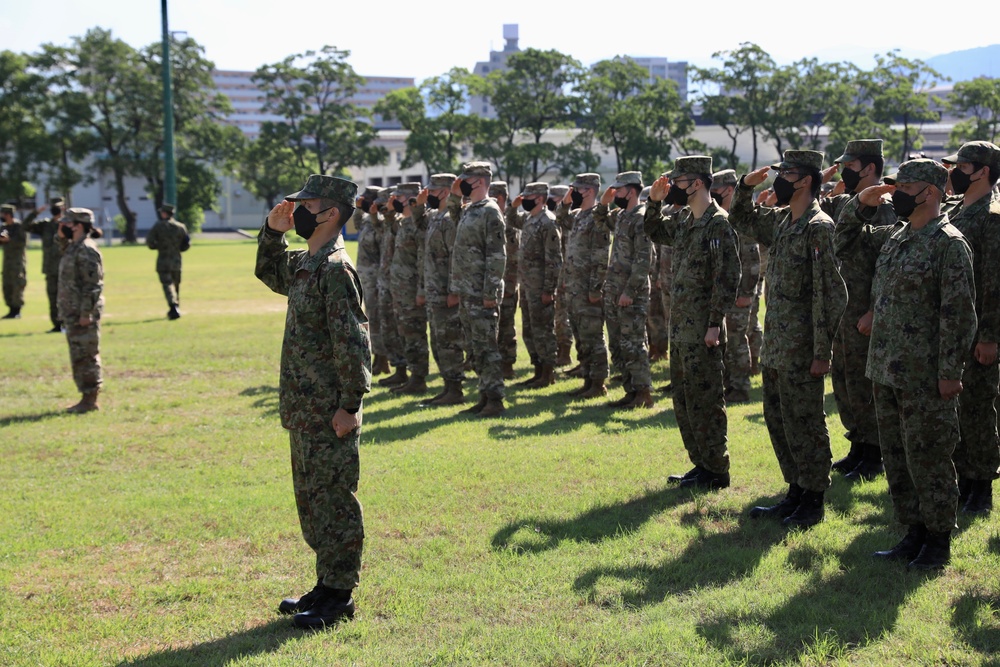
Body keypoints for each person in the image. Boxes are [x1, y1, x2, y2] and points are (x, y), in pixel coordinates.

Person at [843, 159, 977, 569]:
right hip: (886, 367)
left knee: (930, 458)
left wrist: (950, 373)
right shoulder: (896, 236)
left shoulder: (949, 244)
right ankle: (912, 531)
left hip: (925, 375)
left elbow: (959, 316)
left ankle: (937, 542)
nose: (896, 193)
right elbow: (844, 241)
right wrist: (861, 203)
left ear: (931, 193)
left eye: (906, 186)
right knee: (898, 457)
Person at [255, 174, 370, 628]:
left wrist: (350, 403)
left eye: (307, 203)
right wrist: (272, 231)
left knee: (335, 500)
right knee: (312, 500)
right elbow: (269, 270)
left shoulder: (336, 269)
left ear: (331, 213)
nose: (297, 209)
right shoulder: (308, 262)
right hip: (304, 408)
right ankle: (325, 584)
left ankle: (339, 598)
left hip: (329, 409)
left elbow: (353, 343)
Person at [730, 150, 848, 528]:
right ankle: (795, 491)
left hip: (803, 347)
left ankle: (813, 500)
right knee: (779, 421)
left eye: (787, 174)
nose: (779, 180)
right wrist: (743, 187)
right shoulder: (783, 221)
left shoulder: (819, 226)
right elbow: (741, 218)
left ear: (806, 181)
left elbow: (830, 293)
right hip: (777, 345)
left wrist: (821, 352)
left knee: (806, 423)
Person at [645, 156, 742, 490]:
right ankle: (700, 464)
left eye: (679, 180)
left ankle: (717, 469)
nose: (673, 186)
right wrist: (654, 203)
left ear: (697, 183)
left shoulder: (719, 223)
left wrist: (715, 323)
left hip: (704, 330)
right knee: (685, 400)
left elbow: (727, 277)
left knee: (707, 400)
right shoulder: (685, 219)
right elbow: (654, 230)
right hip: (681, 329)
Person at [824, 140, 895, 481]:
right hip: (843, 309)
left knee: (866, 386)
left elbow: (888, 266)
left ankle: (874, 453)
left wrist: (873, 311)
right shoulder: (846, 203)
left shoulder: (886, 207)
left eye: (848, 166)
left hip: (866, 312)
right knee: (846, 381)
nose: (842, 171)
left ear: (868, 168)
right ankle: (858, 445)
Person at [941, 141, 1000, 514]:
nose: (954, 171)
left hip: (979, 332)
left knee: (978, 410)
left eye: (962, 166)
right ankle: (963, 478)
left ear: (982, 171)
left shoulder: (992, 216)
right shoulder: (958, 210)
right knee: (959, 409)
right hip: (955, 329)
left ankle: (980, 488)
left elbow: (994, 282)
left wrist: (991, 336)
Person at [449, 162, 507, 417]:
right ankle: (484, 396)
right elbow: (452, 215)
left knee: (487, 347)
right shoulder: (470, 209)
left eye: (466, 179)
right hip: (467, 290)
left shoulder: (491, 212)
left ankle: (495, 400)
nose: (461, 183)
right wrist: (453, 194)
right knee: (474, 347)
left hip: (481, 292)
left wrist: (489, 294)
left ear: (480, 182)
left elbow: (497, 256)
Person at [594, 172, 654, 409]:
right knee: (618, 343)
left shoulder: (641, 217)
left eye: (619, 190)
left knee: (634, 344)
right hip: (615, 290)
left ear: (631, 191)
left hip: (632, 292)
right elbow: (600, 221)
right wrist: (604, 202)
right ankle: (630, 390)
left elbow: (643, 260)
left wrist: (630, 291)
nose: (615, 193)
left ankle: (644, 393)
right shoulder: (621, 216)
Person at [556, 173, 610, 398]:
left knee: (592, 337)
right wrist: (566, 202)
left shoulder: (598, 219)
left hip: (588, 290)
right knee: (580, 335)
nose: (573, 193)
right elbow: (561, 219)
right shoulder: (578, 216)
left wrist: (595, 288)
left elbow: (601, 257)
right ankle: (588, 379)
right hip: (575, 289)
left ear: (588, 191)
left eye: (576, 189)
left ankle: (598, 383)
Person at [711, 169, 760, 404]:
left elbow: (753, 260)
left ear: (729, 190)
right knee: (724, 340)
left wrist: (747, 293)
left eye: (715, 190)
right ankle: (728, 383)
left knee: (738, 340)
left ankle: (740, 387)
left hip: (739, 293)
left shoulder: (740, 219)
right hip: (722, 293)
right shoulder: (718, 217)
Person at [416, 174, 465, 405]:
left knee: (449, 340)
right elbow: (417, 225)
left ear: (445, 192)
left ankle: (455, 388)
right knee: (438, 339)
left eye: (433, 191)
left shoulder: (450, 220)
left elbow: (456, 256)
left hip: (446, 292)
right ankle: (448, 386)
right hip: (435, 290)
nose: (429, 195)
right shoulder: (436, 217)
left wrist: (454, 291)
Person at [508, 183, 563, 388]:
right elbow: (511, 220)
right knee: (530, 330)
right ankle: (538, 369)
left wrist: (549, 289)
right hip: (527, 286)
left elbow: (554, 260)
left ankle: (547, 373)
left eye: (528, 196)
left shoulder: (548, 222)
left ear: (540, 198)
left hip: (541, 287)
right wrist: (512, 206)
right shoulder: (530, 218)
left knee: (543, 330)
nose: (524, 199)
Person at [57, 208, 104, 413]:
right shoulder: (73, 247)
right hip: (72, 310)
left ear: (78, 225)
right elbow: (59, 247)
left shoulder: (87, 250)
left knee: (87, 354)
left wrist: (87, 313)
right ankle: (85, 397)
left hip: (82, 312)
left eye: (67, 223)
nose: (63, 226)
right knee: (78, 353)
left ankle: (90, 399)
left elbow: (93, 285)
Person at [388, 183, 430, 395]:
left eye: (399, 196)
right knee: (405, 333)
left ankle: (419, 378)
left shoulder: (417, 224)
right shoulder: (403, 222)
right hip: (400, 289)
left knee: (415, 334)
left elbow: (422, 258)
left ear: (411, 199)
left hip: (412, 290)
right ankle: (411, 375)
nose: (394, 199)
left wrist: (421, 290)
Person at [354, 187, 387, 375]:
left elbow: (381, 238)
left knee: (375, 318)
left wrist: (374, 214)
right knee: (370, 317)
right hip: (365, 277)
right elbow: (356, 223)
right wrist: (359, 208)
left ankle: (382, 358)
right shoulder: (366, 219)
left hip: (376, 278)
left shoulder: (380, 221)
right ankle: (378, 357)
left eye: (366, 199)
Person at [24, 197, 67, 332]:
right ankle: (57, 325)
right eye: (54, 207)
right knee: (52, 297)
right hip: (50, 269)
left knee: (66, 298)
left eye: (59, 207)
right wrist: (36, 212)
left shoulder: (69, 225)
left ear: (64, 208)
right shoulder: (45, 225)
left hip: (66, 269)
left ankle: (68, 324)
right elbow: (25, 226)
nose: (56, 210)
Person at [492, 182, 519, 380]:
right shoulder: (493, 218)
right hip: (493, 283)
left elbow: (513, 257)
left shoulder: (508, 223)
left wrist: (509, 285)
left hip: (506, 284)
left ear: (500, 198)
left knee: (507, 327)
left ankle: (507, 365)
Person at [145, 204, 190, 320]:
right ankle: (176, 307)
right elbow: (186, 244)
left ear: (165, 213)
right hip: (176, 261)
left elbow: (150, 242)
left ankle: (173, 306)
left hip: (163, 260)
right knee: (175, 285)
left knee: (167, 285)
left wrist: (159, 246)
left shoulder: (158, 226)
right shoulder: (181, 227)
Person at [0, 203, 27, 319]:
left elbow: (22, 242)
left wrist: (9, 240)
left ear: (8, 214)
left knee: (17, 285)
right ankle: (11, 309)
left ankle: (17, 310)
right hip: (7, 262)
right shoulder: (3, 228)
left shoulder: (19, 227)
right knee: (7, 285)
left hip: (17, 262)